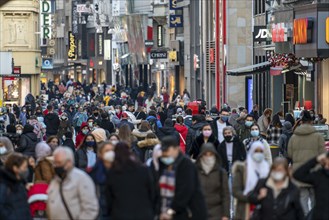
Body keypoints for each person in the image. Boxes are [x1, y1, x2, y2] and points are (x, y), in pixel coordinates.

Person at [151, 136, 207, 220]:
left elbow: (185, 191)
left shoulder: (186, 164)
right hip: (164, 212)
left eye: (167, 150)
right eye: (163, 150)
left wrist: (171, 211)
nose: (165, 153)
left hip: (186, 213)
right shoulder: (162, 163)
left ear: (176, 149)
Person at [287, 110, 325, 216]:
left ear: (301, 122)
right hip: (315, 174)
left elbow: (290, 154)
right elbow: (323, 155)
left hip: (299, 174)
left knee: (302, 201)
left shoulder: (294, 137)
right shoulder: (318, 137)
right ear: (311, 122)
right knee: (315, 201)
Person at [105, 142, 155, 219]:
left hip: (120, 213)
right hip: (143, 213)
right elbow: (152, 192)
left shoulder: (112, 173)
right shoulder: (143, 170)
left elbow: (109, 198)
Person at [47, 147, 99, 219]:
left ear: (69, 162)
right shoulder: (55, 180)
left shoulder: (82, 179)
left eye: (59, 162)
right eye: (54, 163)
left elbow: (90, 209)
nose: (55, 166)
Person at [232, 141, 270, 220]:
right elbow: (236, 191)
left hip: (264, 208)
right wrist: (252, 197)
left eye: (261, 151)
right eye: (256, 151)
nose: (258, 153)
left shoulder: (267, 169)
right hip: (245, 208)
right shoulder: (242, 169)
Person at [196, 143, 230, 220]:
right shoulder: (195, 171)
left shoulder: (221, 173)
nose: (208, 157)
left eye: (210, 154)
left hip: (217, 212)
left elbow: (225, 195)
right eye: (205, 154)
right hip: (198, 212)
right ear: (201, 155)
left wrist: (226, 215)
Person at [293, 152, 329, 220]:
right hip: (320, 216)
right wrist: (315, 160)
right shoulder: (320, 175)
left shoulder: (320, 175)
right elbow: (298, 174)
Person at [0, 153, 32, 220]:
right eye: (24, 167)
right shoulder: (4, 185)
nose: (26, 170)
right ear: (15, 168)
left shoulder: (20, 183)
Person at [89, 142, 115, 220]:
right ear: (100, 154)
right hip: (99, 213)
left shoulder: (122, 172)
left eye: (112, 150)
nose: (110, 153)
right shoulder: (93, 173)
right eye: (107, 151)